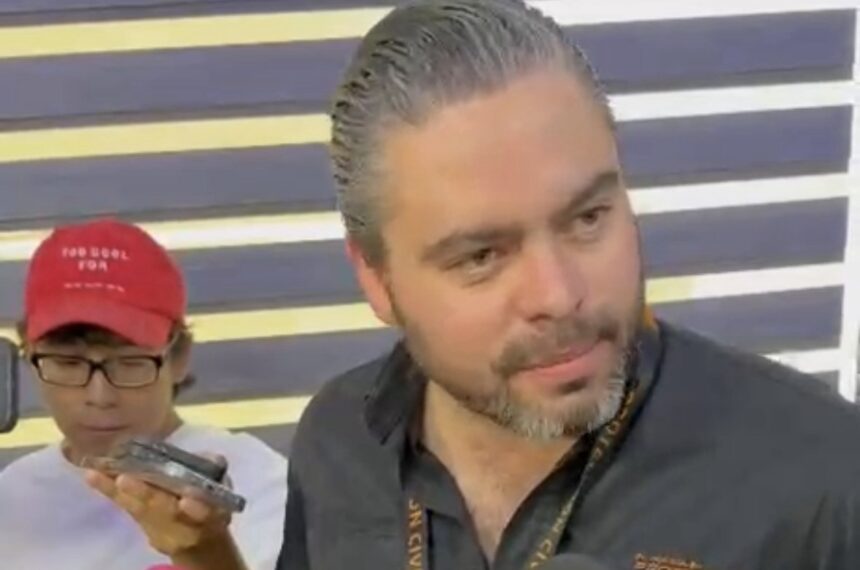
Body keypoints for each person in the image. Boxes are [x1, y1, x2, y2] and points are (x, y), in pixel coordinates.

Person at [90, 1, 860, 569]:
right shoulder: (341, 440)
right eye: (482, 256)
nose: (559, 294)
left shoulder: (825, 480)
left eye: (588, 217)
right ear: (377, 280)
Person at [0, 219, 287, 570]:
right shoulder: (13, 497)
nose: (99, 396)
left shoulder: (258, 482)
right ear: (29, 357)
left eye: (129, 363)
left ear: (178, 357)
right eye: (67, 363)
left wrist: (208, 551)